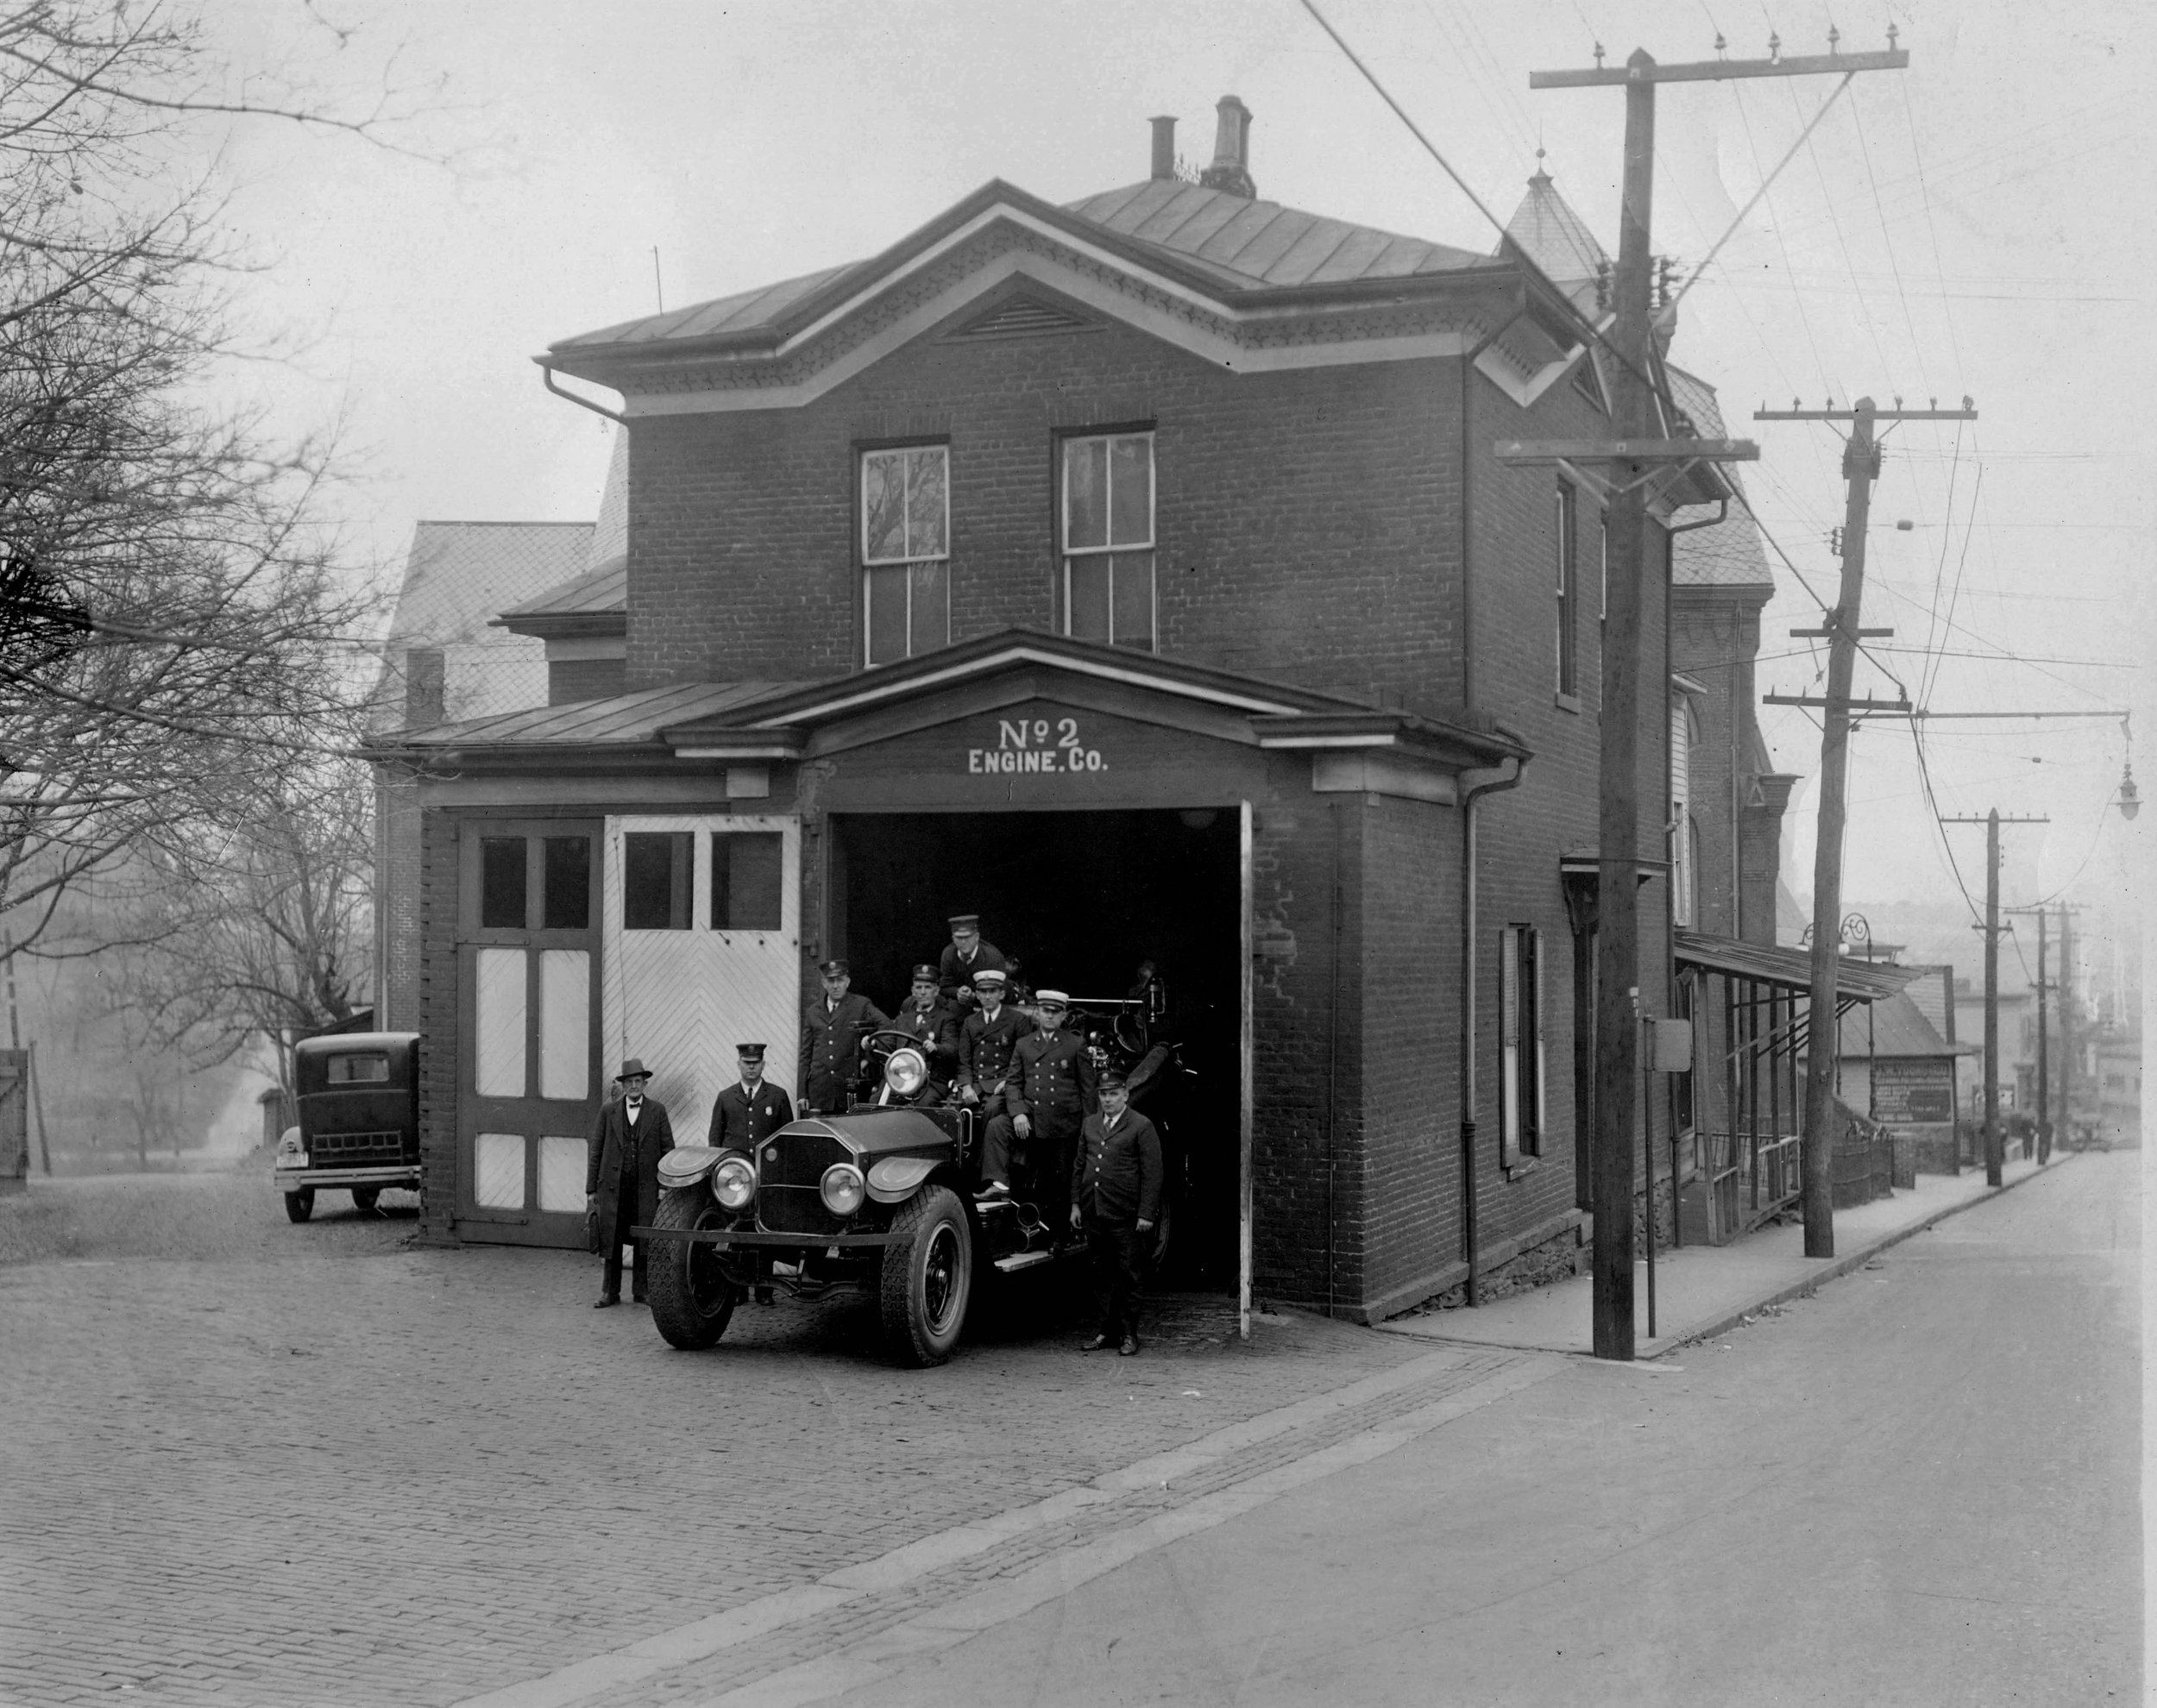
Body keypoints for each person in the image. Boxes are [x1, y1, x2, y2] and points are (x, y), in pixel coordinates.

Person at [979, 989, 1096, 1230]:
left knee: (1061, 1182)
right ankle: (1000, 1186)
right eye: (1045, 1011)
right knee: (997, 1126)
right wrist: (1018, 1112)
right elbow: (1013, 1082)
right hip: (1031, 1117)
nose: (1050, 1017)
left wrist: (1089, 1129)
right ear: (1037, 1013)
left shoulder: (1075, 1044)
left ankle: (1059, 1234)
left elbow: (1088, 1090)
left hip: (1063, 1125)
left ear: (1064, 1015)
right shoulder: (1024, 1045)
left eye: (1055, 1012)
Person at [1070, 1070, 1162, 1355]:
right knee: (1101, 1274)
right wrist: (1076, 1204)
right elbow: (1079, 1166)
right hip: (1094, 1211)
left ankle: (1129, 1334)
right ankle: (1106, 1331)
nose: (1107, 1100)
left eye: (1113, 1094)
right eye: (1103, 1094)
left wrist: (1146, 1213)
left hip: (1125, 1213)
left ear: (1125, 1094)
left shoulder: (1140, 1125)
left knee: (1130, 1274)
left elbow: (1153, 1173)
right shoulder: (1090, 1124)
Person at [585, 1058, 676, 1308]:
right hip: (614, 1187)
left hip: (644, 1188)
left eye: (638, 1081)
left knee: (642, 1238)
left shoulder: (658, 1111)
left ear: (644, 1084)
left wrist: (664, 1186)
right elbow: (596, 1150)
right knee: (611, 1238)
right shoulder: (608, 1111)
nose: (634, 1086)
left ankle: (641, 1290)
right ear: (623, 1086)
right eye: (629, 1082)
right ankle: (609, 1292)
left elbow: (669, 1151)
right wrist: (591, 1188)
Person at [799, 958, 888, 1115]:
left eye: (840, 980)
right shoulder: (813, 1012)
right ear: (823, 983)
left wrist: (870, 1048)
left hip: (849, 1090)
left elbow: (886, 1025)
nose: (835, 986)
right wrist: (802, 1093)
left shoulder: (861, 1005)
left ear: (847, 982)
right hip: (820, 1091)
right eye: (831, 981)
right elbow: (805, 1055)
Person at [953, 967, 1032, 1112]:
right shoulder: (970, 1022)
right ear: (977, 994)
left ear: (1001, 994)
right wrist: (966, 1086)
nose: (987, 997)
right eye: (983, 992)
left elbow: (1024, 1059)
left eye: (992, 991)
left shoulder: (1016, 1020)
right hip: (976, 1084)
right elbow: (964, 1060)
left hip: (1001, 1082)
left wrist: (1008, 1081)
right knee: (954, 1109)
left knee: (992, 1108)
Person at [707, 1042, 794, 1150]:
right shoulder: (725, 1097)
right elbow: (715, 1138)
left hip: (767, 1164)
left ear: (763, 1064)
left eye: (756, 1062)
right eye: (747, 1062)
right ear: (739, 1064)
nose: (751, 1067)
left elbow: (788, 1138)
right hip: (734, 1164)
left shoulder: (778, 1096)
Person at [891, 964, 962, 1094]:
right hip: (902, 1079)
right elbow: (889, 1045)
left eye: (928, 987)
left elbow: (953, 1049)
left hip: (930, 1082)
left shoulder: (945, 1018)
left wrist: (936, 1048)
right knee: (877, 1101)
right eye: (919, 987)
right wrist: (871, 1043)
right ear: (913, 991)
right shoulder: (902, 1019)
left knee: (924, 1106)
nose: (923, 992)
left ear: (936, 991)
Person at [937, 914, 1007, 1011]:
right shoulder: (948, 954)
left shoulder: (992, 957)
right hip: (961, 1006)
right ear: (953, 938)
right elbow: (944, 986)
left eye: (968, 937)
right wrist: (958, 992)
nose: (963, 942)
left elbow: (1001, 993)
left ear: (977, 937)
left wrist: (974, 996)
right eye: (959, 938)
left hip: (989, 1007)